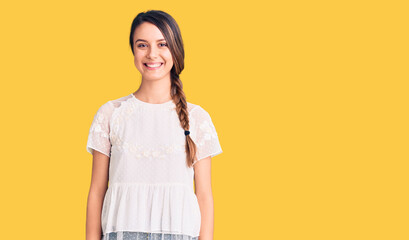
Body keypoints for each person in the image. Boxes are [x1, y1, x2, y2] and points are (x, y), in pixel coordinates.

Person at [85, 10, 223, 240]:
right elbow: (97, 191)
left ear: (175, 50)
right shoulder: (111, 114)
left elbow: (204, 195)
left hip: (179, 233)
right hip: (120, 233)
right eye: (142, 45)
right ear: (133, 50)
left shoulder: (197, 118)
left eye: (162, 44)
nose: (152, 54)